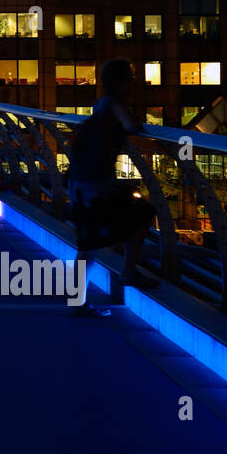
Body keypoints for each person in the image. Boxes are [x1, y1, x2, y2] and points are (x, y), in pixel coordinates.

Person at [67, 58, 161, 315]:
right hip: (96, 185)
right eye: (130, 79)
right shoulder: (115, 104)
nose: (133, 83)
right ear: (122, 83)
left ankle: (79, 302)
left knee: (87, 246)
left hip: (80, 182)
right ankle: (128, 270)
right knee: (143, 213)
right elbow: (132, 126)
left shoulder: (99, 106)